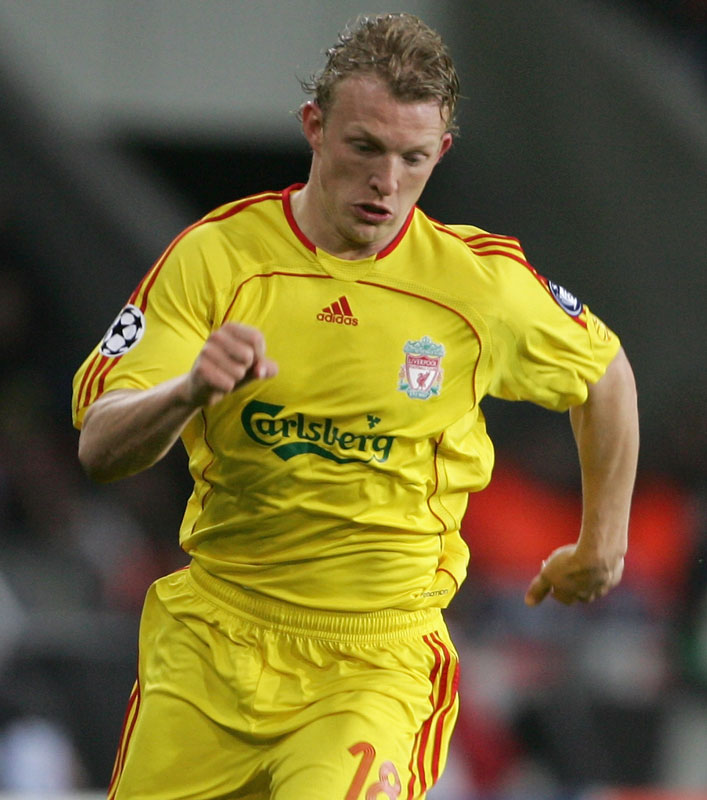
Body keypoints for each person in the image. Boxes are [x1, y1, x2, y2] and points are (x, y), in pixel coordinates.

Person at [72, 12, 639, 800]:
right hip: (210, 644)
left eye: (412, 158)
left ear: (441, 152)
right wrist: (187, 391)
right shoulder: (217, 259)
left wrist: (601, 542)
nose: (386, 182)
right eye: (364, 147)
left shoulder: (480, 286)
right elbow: (101, 449)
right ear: (314, 126)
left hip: (373, 664)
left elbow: (603, 373)